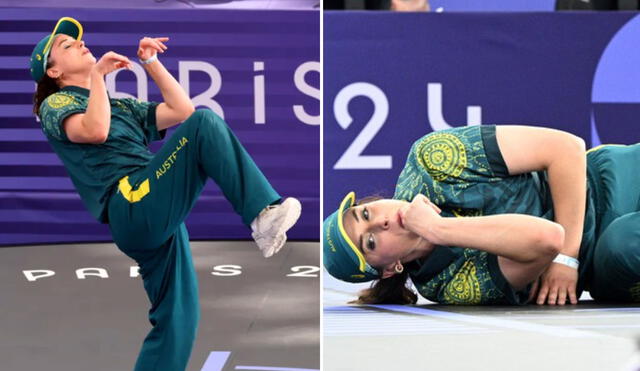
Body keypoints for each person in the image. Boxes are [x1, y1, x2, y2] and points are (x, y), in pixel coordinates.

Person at [30, 17, 301, 371]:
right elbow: (95, 131)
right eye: (66, 46)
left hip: (152, 208)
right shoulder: (56, 104)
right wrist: (97, 76)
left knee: (179, 319)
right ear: (52, 72)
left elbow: (180, 111)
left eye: (77, 40)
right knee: (204, 125)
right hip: (130, 203)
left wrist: (150, 63)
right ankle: (262, 214)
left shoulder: (120, 105)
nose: (79, 44)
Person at [324, 124, 640, 306]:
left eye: (365, 213)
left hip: (610, 179)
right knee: (623, 244)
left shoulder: (432, 159)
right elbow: (546, 238)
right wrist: (437, 229)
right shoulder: (445, 285)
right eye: (371, 242)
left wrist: (567, 257)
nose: (381, 221)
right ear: (391, 270)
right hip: (608, 264)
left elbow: (566, 148)